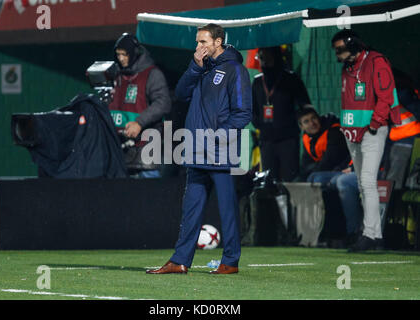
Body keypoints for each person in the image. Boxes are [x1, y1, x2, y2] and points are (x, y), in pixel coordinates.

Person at [146, 24, 252, 275]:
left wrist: (217, 136)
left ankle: (230, 261)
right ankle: (180, 260)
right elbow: (181, 93)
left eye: (203, 42)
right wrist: (195, 66)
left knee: (227, 209)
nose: (198, 47)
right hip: (195, 151)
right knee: (191, 210)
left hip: (220, 152)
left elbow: (243, 113)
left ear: (218, 42)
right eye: (196, 42)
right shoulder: (202, 69)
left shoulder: (235, 70)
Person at [331, 29, 401, 252]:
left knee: (368, 181)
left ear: (353, 45)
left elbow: (386, 96)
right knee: (362, 183)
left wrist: (374, 123)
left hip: (373, 129)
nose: (338, 54)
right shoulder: (348, 68)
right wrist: (347, 128)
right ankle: (373, 235)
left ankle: (370, 235)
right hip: (354, 131)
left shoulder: (376, 61)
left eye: (340, 49)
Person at [109, 33, 171, 178]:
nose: (121, 58)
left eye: (125, 54)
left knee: (151, 195)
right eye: (118, 54)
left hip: (145, 150)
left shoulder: (152, 74)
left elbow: (163, 103)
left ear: (134, 54)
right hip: (120, 148)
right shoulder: (117, 75)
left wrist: (139, 123)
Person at [251, 46, 311, 181]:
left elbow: (304, 105)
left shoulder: (291, 78)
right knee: (269, 180)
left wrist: (296, 122)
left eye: (267, 57)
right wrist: (259, 125)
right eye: (260, 57)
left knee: (289, 179)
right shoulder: (257, 82)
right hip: (267, 140)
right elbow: (251, 109)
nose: (263, 61)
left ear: (276, 57)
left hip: (288, 138)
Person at [296, 106, 352, 247]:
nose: (312, 123)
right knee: (300, 182)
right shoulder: (307, 138)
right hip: (326, 173)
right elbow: (304, 166)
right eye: (307, 121)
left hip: (342, 171)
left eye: (314, 118)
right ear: (302, 126)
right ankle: (305, 232)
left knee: (316, 179)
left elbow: (329, 161)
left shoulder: (333, 131)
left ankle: (331, 232)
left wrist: (311, 172)